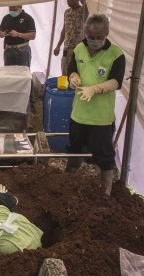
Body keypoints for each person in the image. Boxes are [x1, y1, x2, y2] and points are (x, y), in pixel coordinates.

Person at [65, 14, 125, 196]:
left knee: (104, 156)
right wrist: (73, 77)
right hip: (79, 113)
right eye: (91, 37)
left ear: (106, 33)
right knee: (74, 149)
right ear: (86, 33)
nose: (95, 41)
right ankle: (68, 182)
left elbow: (116, 82)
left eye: (99, 37)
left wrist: (95, 89)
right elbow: (72, 70)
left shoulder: (116, 54)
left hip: (101, 118)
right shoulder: (78, 49)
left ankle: (105, 190)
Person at [0, 6, 36, 110]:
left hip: (22, 50)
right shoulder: (6, 18)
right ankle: (12, 103)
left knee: (25, 77)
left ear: (20, 6)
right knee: (9, 77)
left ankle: (30, 104)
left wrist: (18, 34)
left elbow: (32, 35)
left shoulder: (28, 18)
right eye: (10, 8)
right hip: (9, 50)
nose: (12, 10)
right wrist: (4, 33)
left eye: (14, 8)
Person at [53, 0, 88, 76]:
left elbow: (84, 4)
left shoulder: (83, 11)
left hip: (79, 49)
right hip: (67, 48)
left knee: (77, 75)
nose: (68, 1)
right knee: (64, 74)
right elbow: (64, 30)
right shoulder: (67, 12)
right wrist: (58, 46)